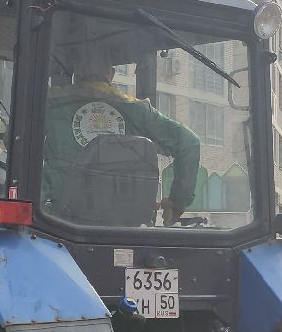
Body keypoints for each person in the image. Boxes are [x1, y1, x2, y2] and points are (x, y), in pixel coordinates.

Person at [42, 29, 200, 227]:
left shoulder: (50, 104)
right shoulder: (138, 110)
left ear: (77, 71)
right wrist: (177, 202)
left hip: (57, 223)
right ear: (112, 74)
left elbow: (16, 143)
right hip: (126, 225)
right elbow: (189, 143)